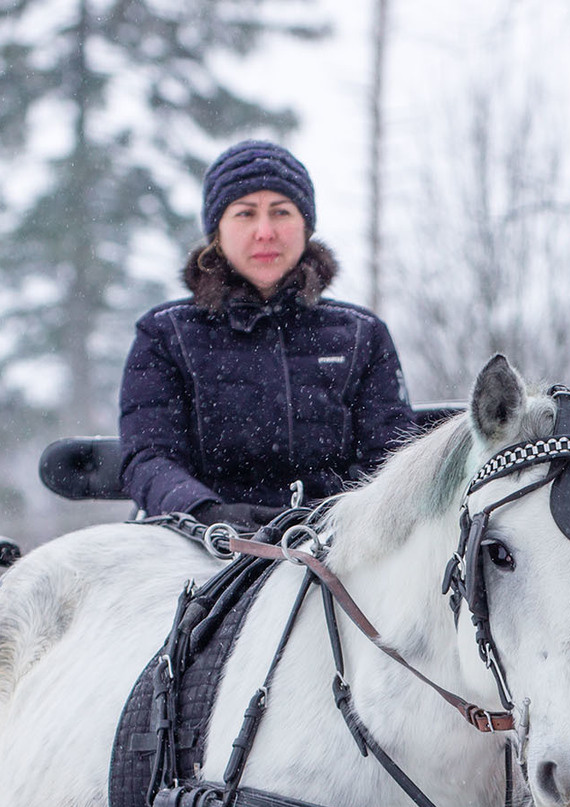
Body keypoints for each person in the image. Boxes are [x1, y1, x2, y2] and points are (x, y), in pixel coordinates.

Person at [118, 140, 415, 527]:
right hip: (194, 548)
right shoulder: (165, 334)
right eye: (244, 214)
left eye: (281, 212)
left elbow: (392, 458)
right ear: (217, 232)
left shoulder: (362, 335)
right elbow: (148, 457)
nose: (265, 231)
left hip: (336, 551)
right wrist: (207, 513)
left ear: (305, 226)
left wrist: (332, 518)